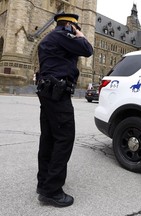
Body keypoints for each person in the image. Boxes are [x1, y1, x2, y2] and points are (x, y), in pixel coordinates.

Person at [36, 13, 93, 207]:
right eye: (74, 27)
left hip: (47, 92)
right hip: (58, 95)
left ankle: (43, 182)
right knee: (64, 139)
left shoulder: (48, 38)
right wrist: (80, 34)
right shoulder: (64, 36)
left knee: (49, 138)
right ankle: (52, 191)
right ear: (70, 25)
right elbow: (88, 50)